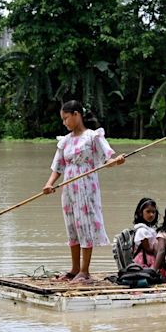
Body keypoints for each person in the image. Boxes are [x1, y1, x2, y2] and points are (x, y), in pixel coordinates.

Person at [43, 100, 125, 283]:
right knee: (72, 226)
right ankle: (74, 270)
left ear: (76, 114)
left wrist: (116, 161)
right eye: (63, 119)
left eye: (66, 118)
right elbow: (58, 166)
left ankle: (84, 271)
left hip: (86, 187)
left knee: (84, 225)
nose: (64, 122)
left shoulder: (92, 137)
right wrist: (49, 184)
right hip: (68, 187)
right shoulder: (65, 141)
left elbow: (107, 160)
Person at [132, 198, 159, 268]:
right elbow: (148, 249)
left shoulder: (149, 229)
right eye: (148, 211)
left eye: (153, 212)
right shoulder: (142, 231)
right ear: (140, 212)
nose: (151, 215)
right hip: (144, 260)